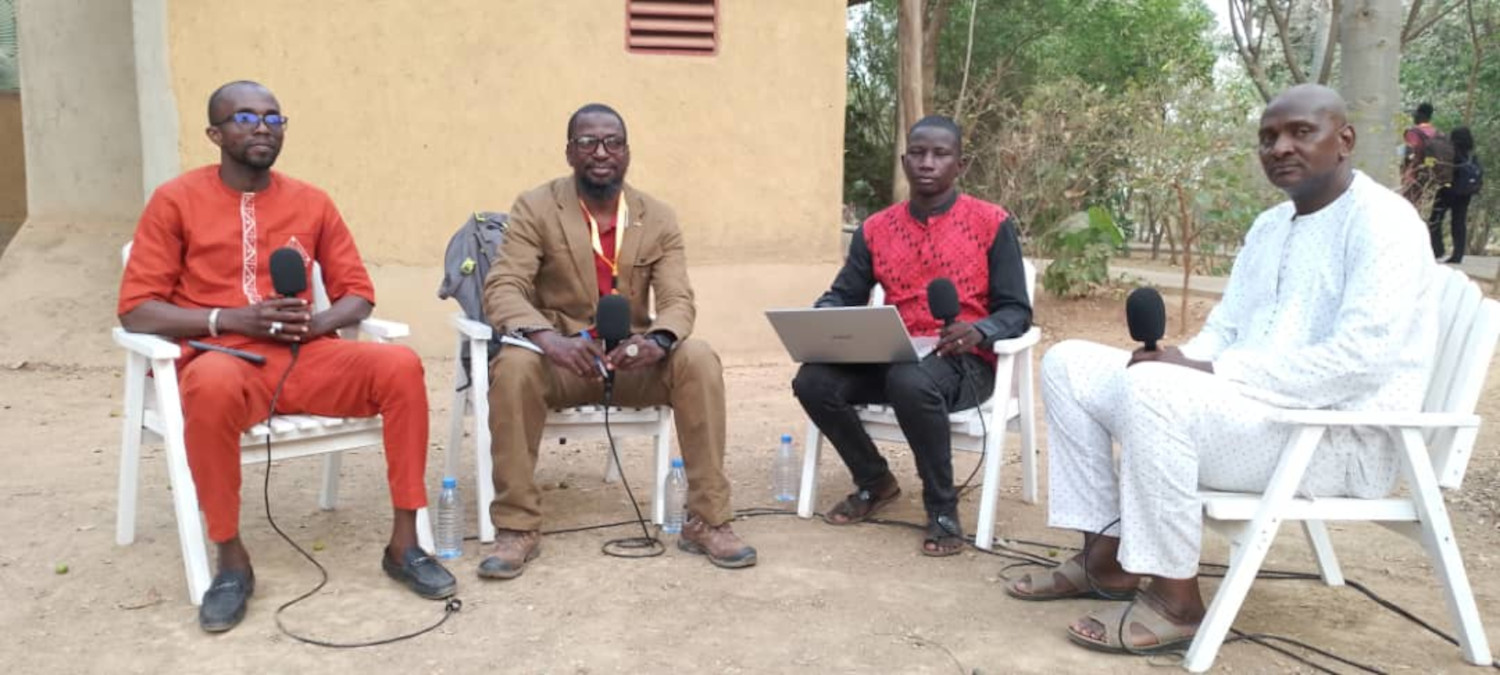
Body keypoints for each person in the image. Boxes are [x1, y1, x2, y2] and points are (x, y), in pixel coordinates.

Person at [1004, 84, 1436, 655]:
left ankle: (1175, 599)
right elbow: (1225, 329)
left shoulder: (1385, 222)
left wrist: (1210, 371)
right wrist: (1180, 358)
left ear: (1344, 140)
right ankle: (1105, 556)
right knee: (1070, 363)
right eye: (1268, 138)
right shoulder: (1269, 227)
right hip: (1255, 417)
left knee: (1156, 389)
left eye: (1300, 132)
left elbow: (1359, 361)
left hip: (1335, 439)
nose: (1280, 147)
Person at [117, 81, 456, 633]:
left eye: (274, 119)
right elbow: (136, 310)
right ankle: (230, 559)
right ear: (214, 133)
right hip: (223, 359)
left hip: (306, 359)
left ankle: (404, 544)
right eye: (245, 117)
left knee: (400, 366)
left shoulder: (312, 201)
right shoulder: (175, 200)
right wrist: (229, 318)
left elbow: (357, 292)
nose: (261, 128)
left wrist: (317, 323)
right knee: (212, 385)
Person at [479, 103, 756, 578]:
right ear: (569, 151)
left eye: (613, 142)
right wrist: (550, 342)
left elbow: (678, 298)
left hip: (631, 363)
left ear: (627, 152)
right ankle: (517, 528)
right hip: (564, 362)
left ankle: (708, 520)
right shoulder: (535, 207)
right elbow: (503, 287)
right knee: (513, 366)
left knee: (699, 358)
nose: (601, 152)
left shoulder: (658, 217)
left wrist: (661, 341)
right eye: (587, 142)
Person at [792, 116, 1031, 556]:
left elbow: (1017, 310)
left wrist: (980, 330)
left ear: (960, 164)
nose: (927, 162)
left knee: (911, 380)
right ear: (904, 161)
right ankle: (874, 481)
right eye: (918, 153)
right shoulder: (875, 229)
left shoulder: (992, 223)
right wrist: (824, 317)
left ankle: (942, 509)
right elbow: (845, 293)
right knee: (813, 381)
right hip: (892, 354)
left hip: (965, 363)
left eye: (940, 154)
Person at [1428, 126, 1480, 264]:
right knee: (1459, 222)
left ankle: (1437, 249)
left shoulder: (1451, 151)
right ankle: (1458, 254)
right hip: (1465, 192)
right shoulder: (1471, 154)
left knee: (1435, 218)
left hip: (1448, 190)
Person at [1402, 102, 1443, 205]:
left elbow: (1409, 155)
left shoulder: (1414, 133)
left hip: (1414, 176)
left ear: (1421, 115)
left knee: (1408, 206)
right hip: (1432, 177)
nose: (1414, 116)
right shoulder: (1437, 133)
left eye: (1416, 114)